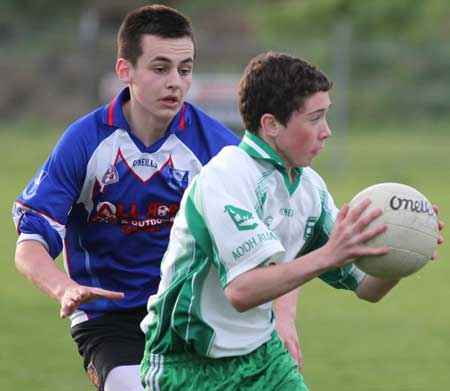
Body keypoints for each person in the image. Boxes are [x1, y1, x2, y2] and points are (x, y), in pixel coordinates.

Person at [139, 51, 445, 391]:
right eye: (315, 118)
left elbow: (366, 287)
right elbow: (242, 290)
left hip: (261, 356)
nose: (326, 132)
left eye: (326, 117)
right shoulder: (226, 178)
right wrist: (329, 255)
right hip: (189, 365)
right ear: (271, 125)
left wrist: (403, 252)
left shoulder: (308, 188)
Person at [11, 5, 245, 391]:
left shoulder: (215, 147)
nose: (175, 82)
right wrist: (64, 288)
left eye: (184, 70)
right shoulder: (86, 141)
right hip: (109, 317)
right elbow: (31, 242)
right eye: (160, 68)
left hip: (189, 314)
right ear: (126, 71)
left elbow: (266, 229)